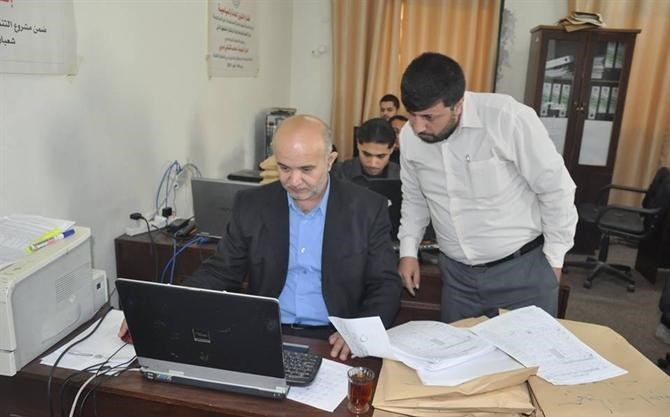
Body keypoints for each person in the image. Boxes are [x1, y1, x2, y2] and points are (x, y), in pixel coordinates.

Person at [119, 115, 402, 360]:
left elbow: (385, 284)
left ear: (330, 161)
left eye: (306, 169)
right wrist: (159, 308)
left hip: (336, 338)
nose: (294, 181)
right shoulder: (252, 205)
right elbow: (220, 271)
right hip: (267, 333)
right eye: (284, 168)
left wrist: (359, 333)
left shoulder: (367, 208)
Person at [396, 52, 578, 323]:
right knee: (456, 349)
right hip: (457, 279)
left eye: (428, 117)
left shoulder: (507, 118)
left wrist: (554, 259)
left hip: (521, 272)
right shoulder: (409, 137)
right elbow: (414, 199)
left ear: (458, 105)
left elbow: (556, 189)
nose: (418, 127)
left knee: (524, 350)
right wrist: (408, 251)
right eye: (411, 115)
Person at [332, 117, 400, 183]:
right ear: (358, 144)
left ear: (392, 149)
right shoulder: (336, 174)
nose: (373, 164)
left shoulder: (402, 176)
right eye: (367, 154)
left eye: (381, 156)